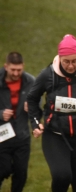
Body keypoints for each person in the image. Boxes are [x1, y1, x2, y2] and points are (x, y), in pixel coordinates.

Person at [27, 34, 76, 192]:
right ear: (60, 58)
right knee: (62, 176)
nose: (70, 66)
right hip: (55, 135)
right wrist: (35, 122)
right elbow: (32, 98)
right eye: (66, 61)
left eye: (74, 61)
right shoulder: (48, 75)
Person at [0, 52, 35, 192]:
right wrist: (0, 114)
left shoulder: (31, 82)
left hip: (22, 136)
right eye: (13, 69)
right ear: (6, 66)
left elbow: (39, 106)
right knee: (3, 169)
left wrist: (32, 107)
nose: (16, 73)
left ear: (23, 67)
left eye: (19, 70)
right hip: (2, 136)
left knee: (21, 173)